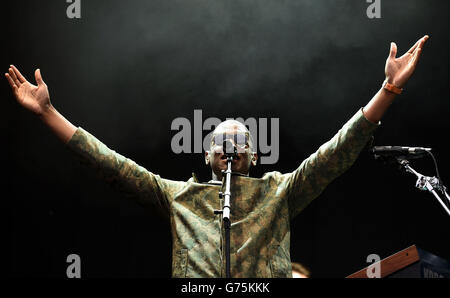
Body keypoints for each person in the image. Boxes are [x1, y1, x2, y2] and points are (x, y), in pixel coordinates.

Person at [5, 36, 429, 278]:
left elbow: (336, 153)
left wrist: (387, 91)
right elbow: (108, 163)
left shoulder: (278, 192)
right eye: (221, 141)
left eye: (239, 140)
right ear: (207, 154)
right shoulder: (178, 197)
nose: (230, 146)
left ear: (254, 155)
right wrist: (47, 113)